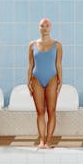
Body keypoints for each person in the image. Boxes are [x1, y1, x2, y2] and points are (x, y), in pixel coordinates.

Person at [27, 18, 63, 149]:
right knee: (40, 112)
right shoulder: (32, 45)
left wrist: (60, 81)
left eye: (47, 26)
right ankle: (42, 141)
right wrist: (28, 80)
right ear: (39, 28)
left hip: (52, 78)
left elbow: (58, 64)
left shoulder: (57, 45)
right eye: (42, 26)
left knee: (51, 111)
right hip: (36, 78)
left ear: (50, 27)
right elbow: (31, 64)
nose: (45, 28)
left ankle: (49, 141)